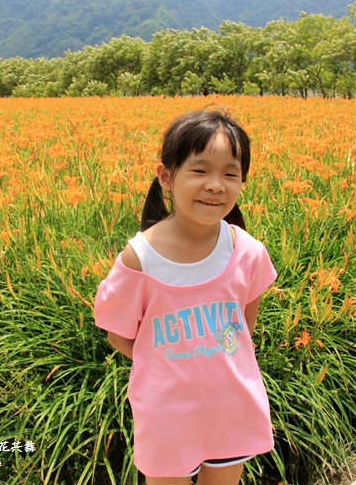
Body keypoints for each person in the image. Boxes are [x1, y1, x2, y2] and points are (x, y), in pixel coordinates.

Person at [94, 109, 277, 485]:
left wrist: (201, 357)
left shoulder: (248, 251)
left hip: (231, 406)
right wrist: (174, 361)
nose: (216, 185)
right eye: (199, 170)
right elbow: (119, 335)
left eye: (230, 173)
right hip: (168, 414)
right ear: (166, 176)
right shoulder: (138, 260)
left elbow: (245, 325)